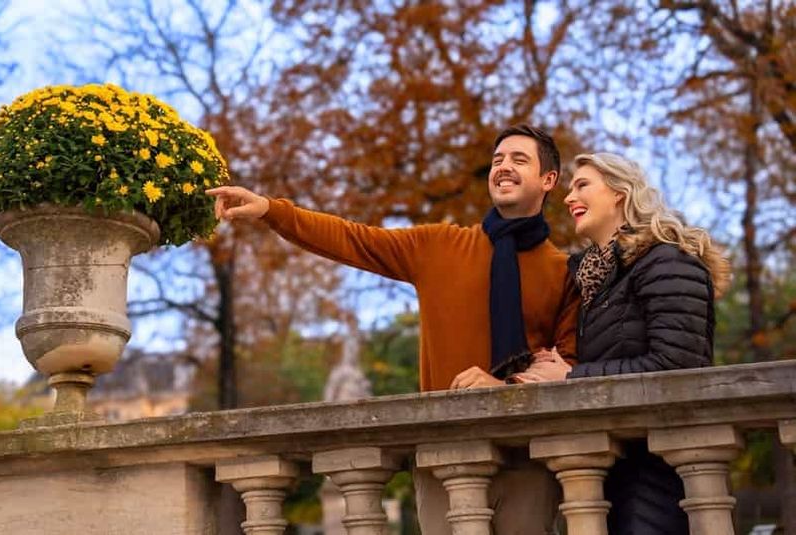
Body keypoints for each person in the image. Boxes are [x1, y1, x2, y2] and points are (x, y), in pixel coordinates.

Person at [207, 124, 580, 535]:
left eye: (519, 160)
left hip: (526, 459)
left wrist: (506, 386)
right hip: (444, 458)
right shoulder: (439, 246)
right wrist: (271, 210)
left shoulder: (564, 272)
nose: (503, 167)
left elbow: (569, 363)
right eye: (497, 160)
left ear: (548, 179)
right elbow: (353, 239)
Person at [516, 152, 731, 535]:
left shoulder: (667, 262)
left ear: (620, 192)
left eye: (582, 185)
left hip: (661, 469)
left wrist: (571, 377)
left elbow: (676, 366)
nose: (569, 197)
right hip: (606, 465)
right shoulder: (590, 281)